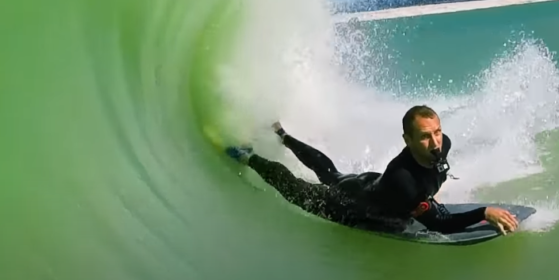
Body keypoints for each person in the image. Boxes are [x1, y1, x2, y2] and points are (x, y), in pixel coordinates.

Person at [220, 105, 519, 235]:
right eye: (425, 136)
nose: (435, 142)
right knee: (297, 189)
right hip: (350, 206)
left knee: (331, 173)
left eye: (438, 132)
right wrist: (483, 213)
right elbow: (440, 226)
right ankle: (250, 157)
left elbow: (433, 175)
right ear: (407, 140)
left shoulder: (444, 144)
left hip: (371, 184)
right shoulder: (406, 184)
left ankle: (282, 135)